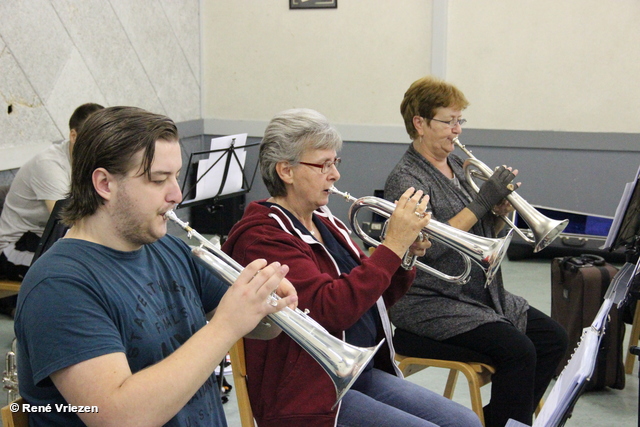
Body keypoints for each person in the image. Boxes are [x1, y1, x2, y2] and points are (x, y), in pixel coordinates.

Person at [14, 106, 298, 426]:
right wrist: (225, 328)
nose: (176, 194)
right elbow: (118, 418)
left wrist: (270, 305)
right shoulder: (58, 286)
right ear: (105, 184)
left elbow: (259, 324)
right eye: (158, 179)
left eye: (175, 176)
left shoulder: (169, 248)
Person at [222, 108, 483, 427]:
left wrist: (403, 256)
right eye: (324, 165)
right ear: (286, 171)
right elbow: (331, 311)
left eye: (336, 163)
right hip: (307, 392)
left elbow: (375, 300)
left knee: (465, 421)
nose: (335, 175)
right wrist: (391, 247)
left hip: (356, 371)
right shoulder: (262, 238)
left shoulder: (324, 222)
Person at [384, 75, 568, 427]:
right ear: (419, 123)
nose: (457, 131)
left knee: (553, 340)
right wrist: (484, 200)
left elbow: (482, 235)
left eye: (459, 121)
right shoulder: (407, 178)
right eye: (449, 121)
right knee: (519, 351)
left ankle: (495, 420)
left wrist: (499, 213)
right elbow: (433, 245)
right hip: (429, 302)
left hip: (476, 294)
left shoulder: (455, 166)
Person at [0, 103, 104, 282]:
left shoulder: (91, 163)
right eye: (92, 140)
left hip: (46, 240)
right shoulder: (49, 165)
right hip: (14, 248)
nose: (99, 147)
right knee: (88, 274)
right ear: (73, 136)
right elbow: (68, 224)